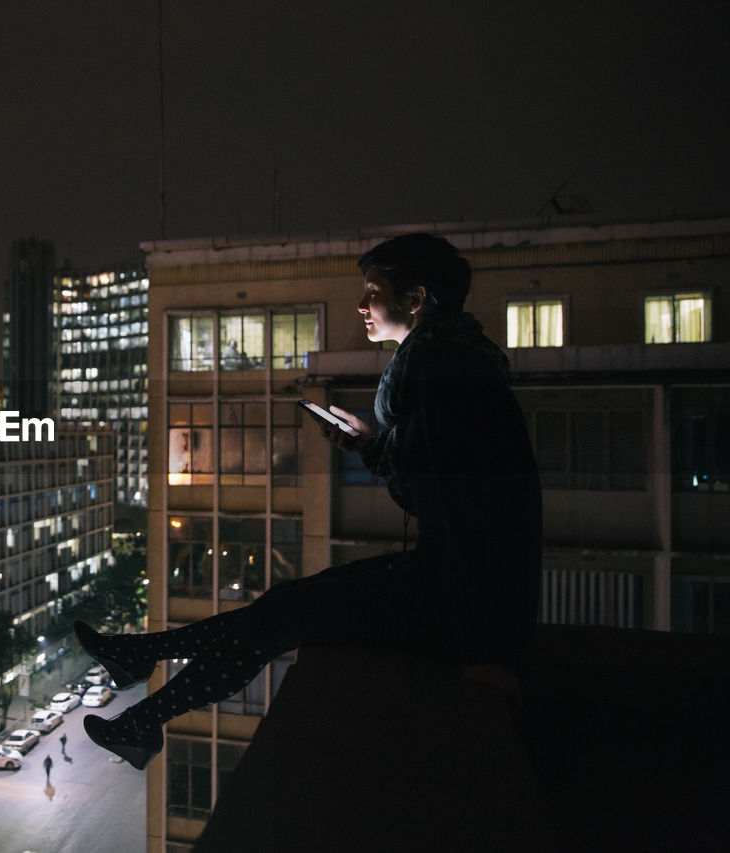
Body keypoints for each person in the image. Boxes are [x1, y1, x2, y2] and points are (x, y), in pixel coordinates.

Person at [77, 233, 542, 770]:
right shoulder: (446, 361)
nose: (361, 305)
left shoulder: (442, 368)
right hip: (456, 582)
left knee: (283, 614)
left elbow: (459, 502)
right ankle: (139, 674)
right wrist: (370, 444)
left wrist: (485, 649)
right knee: (283, 606)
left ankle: (141, 699)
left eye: (373, 291)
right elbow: (444, 479)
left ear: (415, 300)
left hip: (458, 594)